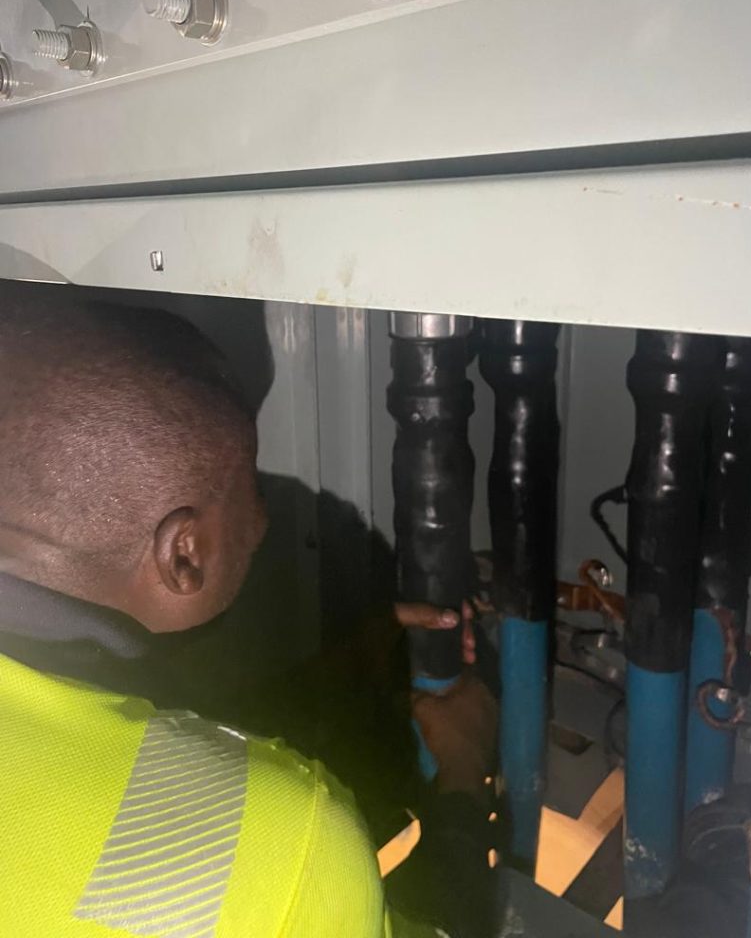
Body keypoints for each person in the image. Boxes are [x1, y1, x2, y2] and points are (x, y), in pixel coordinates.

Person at [0, 292, 496, 938]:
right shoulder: (286, 843)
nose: (263, 515)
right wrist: (464, 774)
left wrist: (347, 665)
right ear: (184, 554)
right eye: (251, 486)